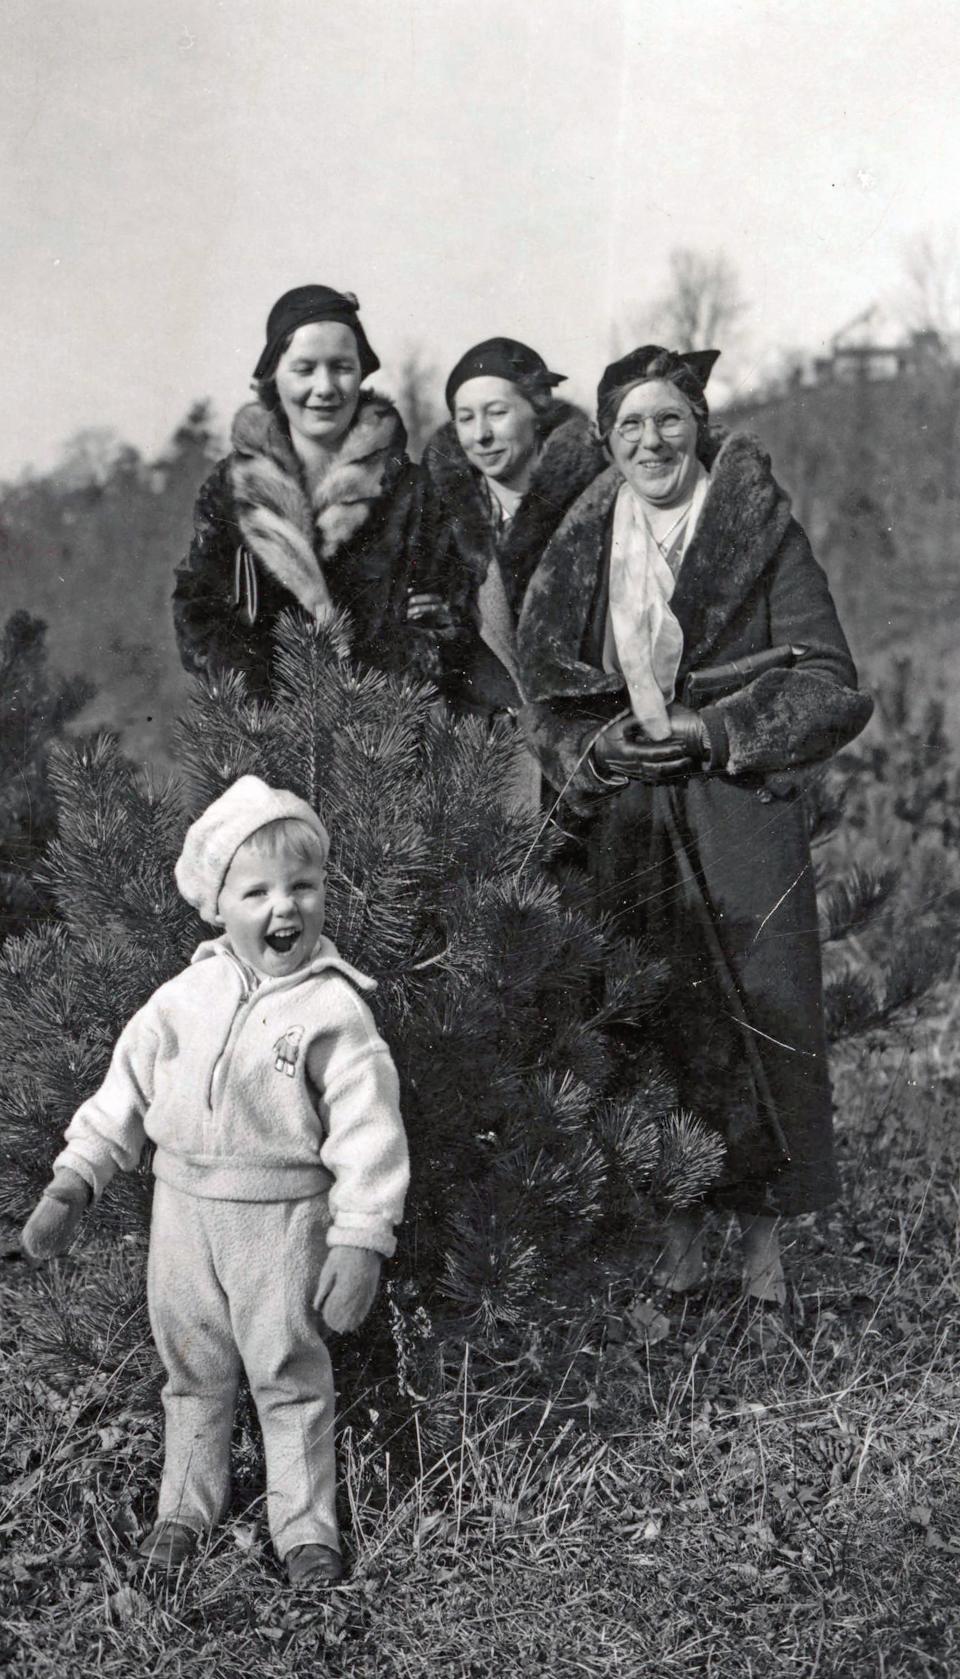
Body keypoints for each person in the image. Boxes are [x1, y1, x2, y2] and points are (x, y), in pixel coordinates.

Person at [517, 344, 873, 1313]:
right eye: (630, 424)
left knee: (759, 1025)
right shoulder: (581, 553)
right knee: (650, 1029)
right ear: (604, 441)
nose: (651, 440)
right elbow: (548, 700)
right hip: (630, 824)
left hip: (737, 815)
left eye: (670, 418)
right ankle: (677, 1253)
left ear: (701, 424)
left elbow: (829, 686)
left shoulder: (758, 534)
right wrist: (594, 754)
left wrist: (713, 726)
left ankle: (764, 1267)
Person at [20, 776, 409, 1584]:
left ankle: (305, 1529)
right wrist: (75, 1178)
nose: (284, 908)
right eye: (258, 889)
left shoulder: (335, 1011)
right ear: (217, 902)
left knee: (289, 1372)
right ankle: (185, 1510)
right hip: (184, 1216)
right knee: (192, 1373)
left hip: (282, 1222)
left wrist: (362, 1239)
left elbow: (370, 1130)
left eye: (303, 886)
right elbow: (122, 1094)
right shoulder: (179, 1001)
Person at [173, 286, 435, 697]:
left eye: (342, 367)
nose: (325, 386)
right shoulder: (230, 488)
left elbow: (441, 623)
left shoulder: (410, 490)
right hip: (259, 740)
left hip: (381, 743)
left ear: (362, 373)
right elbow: (198, 609)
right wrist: (253, 698)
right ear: (274, 377)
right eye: (305, 368)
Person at [411, 337, 604, 804]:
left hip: (587, 763)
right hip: (483, 768)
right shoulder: (433, 517)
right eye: (465, 417)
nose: (481, 435)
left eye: (496, 412)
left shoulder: (598, 500)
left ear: (537, 409)